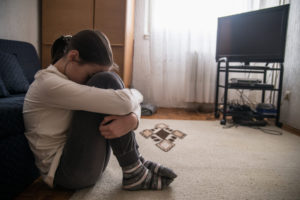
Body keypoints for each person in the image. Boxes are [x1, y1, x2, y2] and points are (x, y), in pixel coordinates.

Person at [23, 30, 177, 191]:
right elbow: (125, 102)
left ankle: (136, 163)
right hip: (66, 174)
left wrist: (133, 119)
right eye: (90, 74)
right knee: (105, 80)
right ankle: (134, 169)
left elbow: (124, 101)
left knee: (111, 80)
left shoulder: (66, 78)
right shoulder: (49, 85)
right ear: (73, 56)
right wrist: (133, 114)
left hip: (86, 163)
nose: (90, 80)